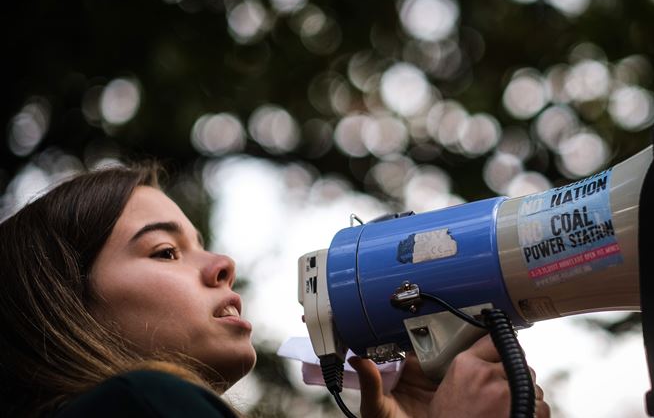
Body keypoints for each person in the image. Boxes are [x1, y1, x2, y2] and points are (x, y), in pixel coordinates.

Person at [0, 164, 550, 417]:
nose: (222, 265)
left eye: (202, 244)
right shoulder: (143, 402)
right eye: (165, 252)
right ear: (60, 305)